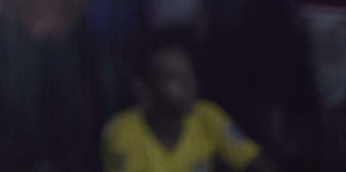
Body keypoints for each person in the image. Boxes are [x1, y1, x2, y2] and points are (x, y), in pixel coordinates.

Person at [101, 35, 279, 172]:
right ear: (144, 88)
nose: (189, 84)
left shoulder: (207, 116)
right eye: (174, 77)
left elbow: (257, 162)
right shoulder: (122, 132)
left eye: (189, 74)